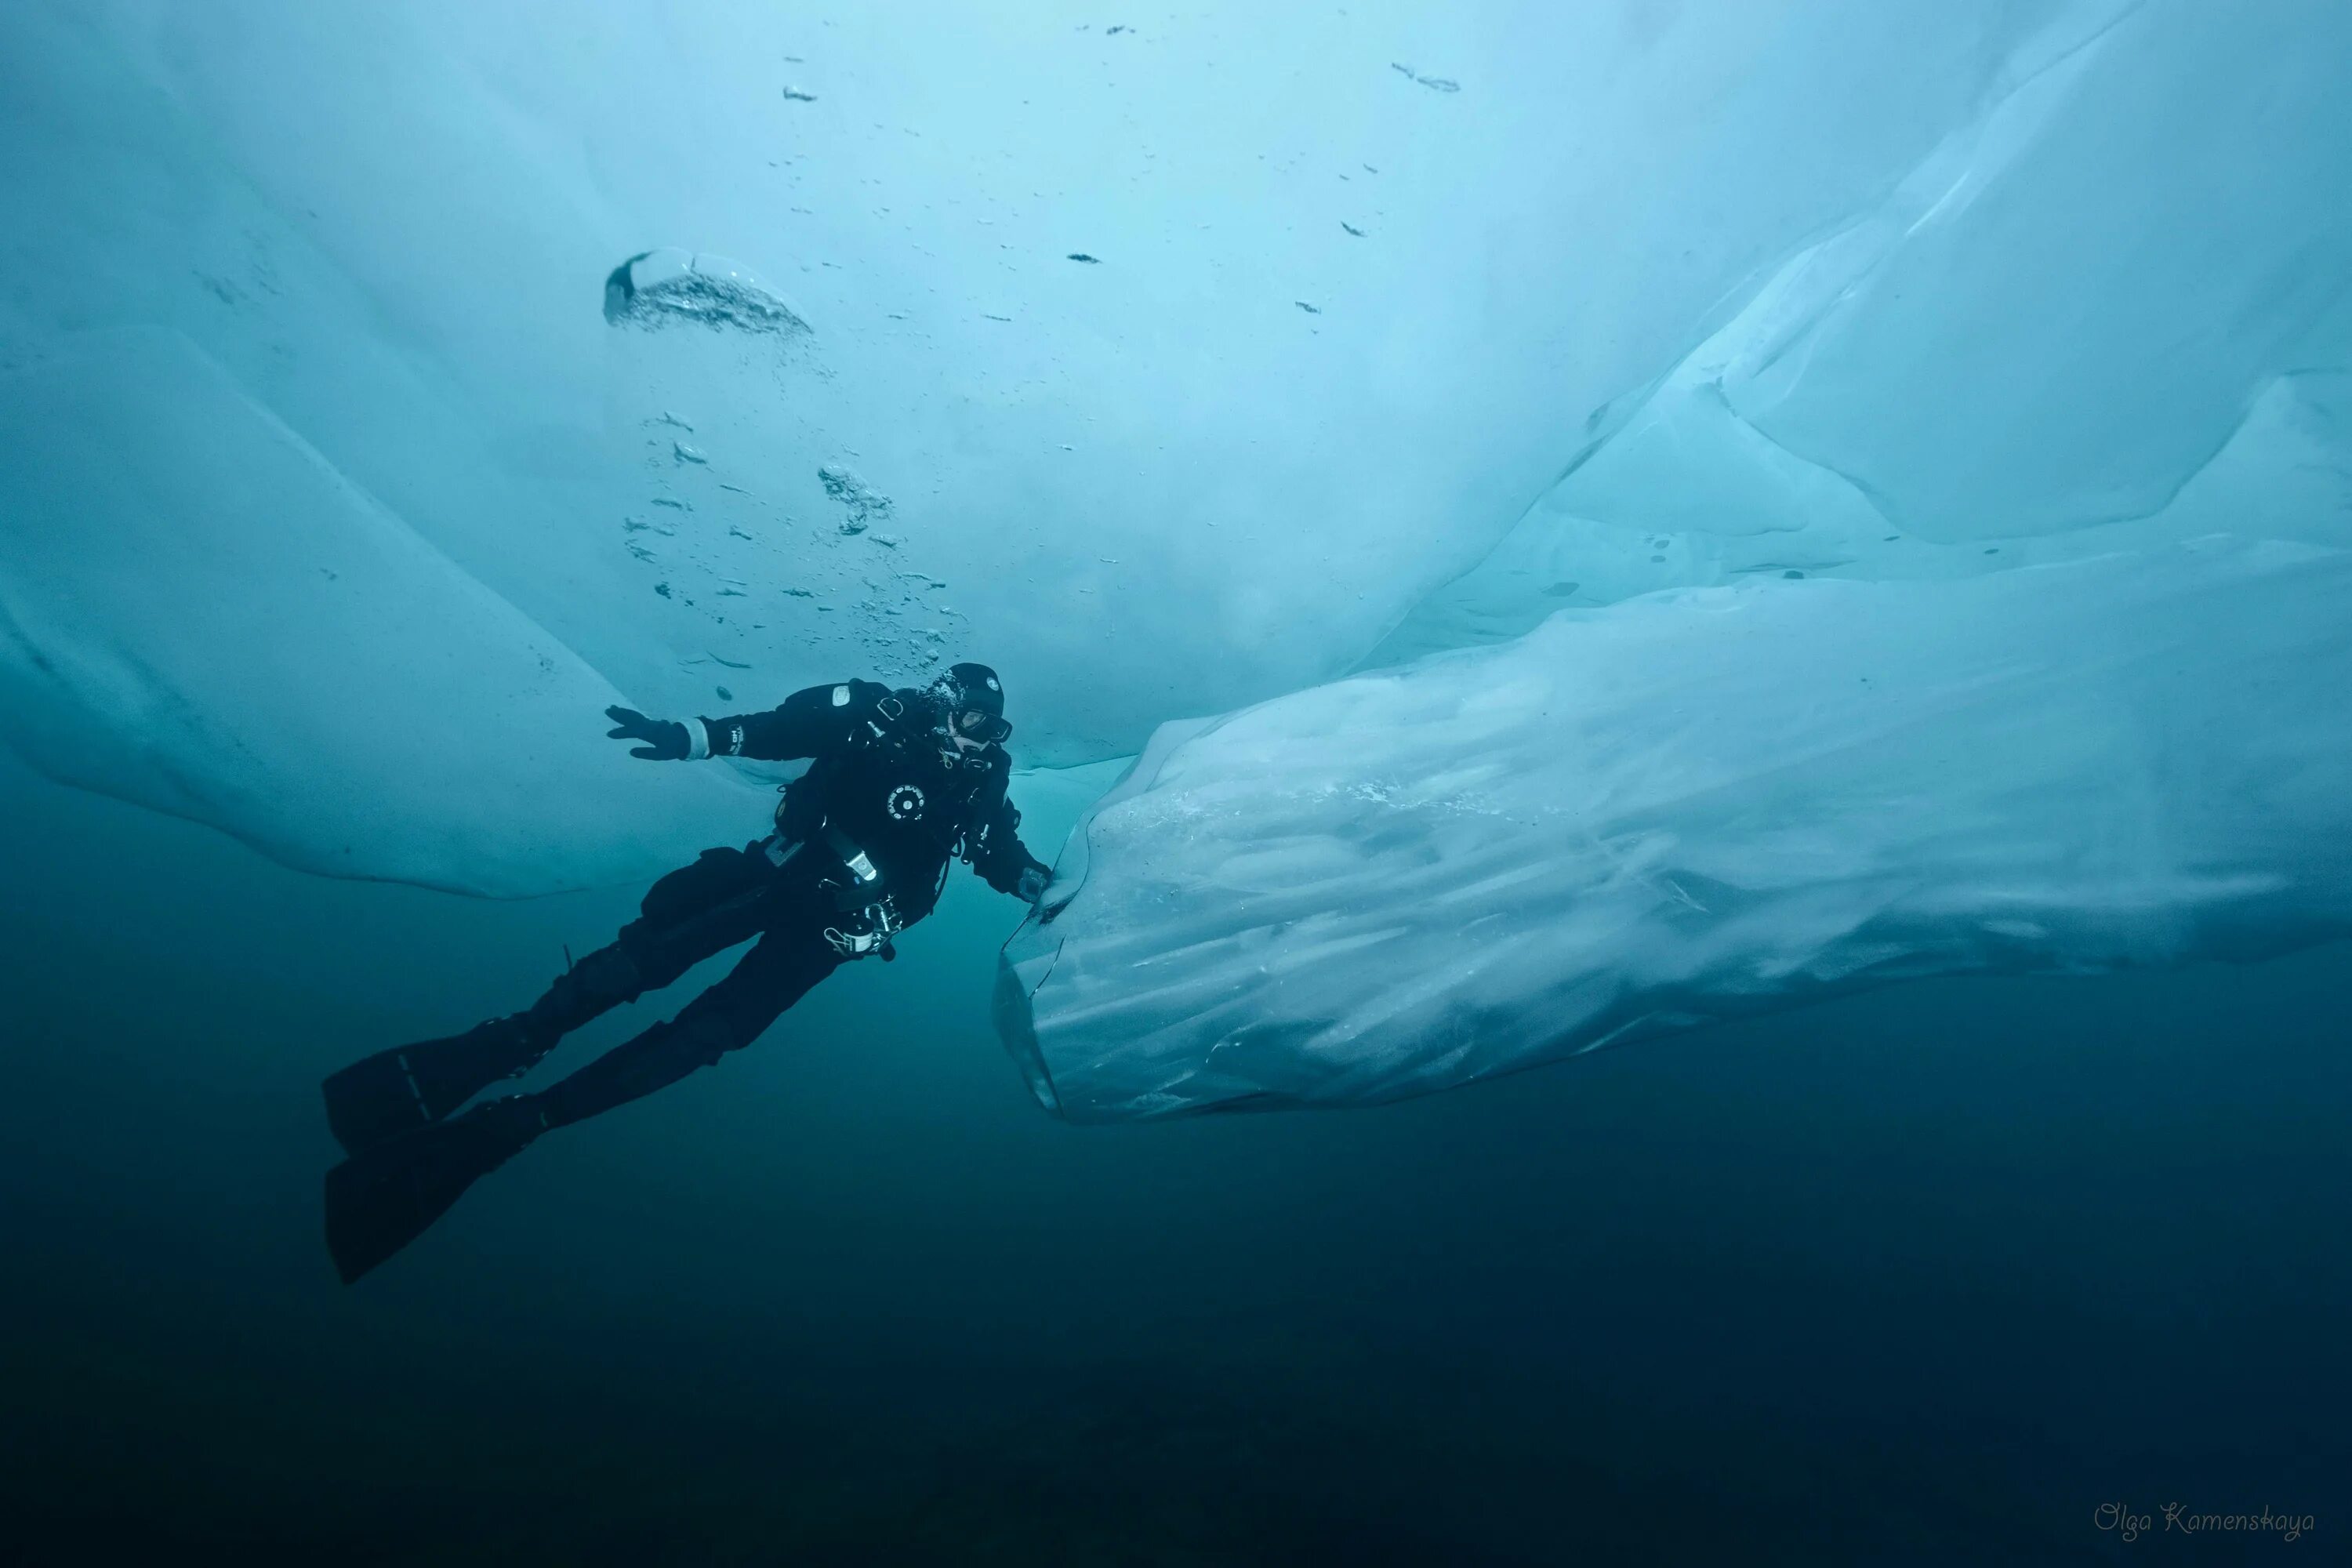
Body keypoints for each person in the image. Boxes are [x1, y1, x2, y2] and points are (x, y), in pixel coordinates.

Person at [320, 662, 1052, 1283]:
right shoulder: (874, 715)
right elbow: (781, 728)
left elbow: (997, 852)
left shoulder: (983, 784)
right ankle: (516, 1039)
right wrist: (692, 738)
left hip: (828, 936)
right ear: (941, 707)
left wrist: (1037, 885)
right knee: (648, 958)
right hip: (775, 874)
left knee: (708, 1035)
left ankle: (530, 1119)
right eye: (976, 722)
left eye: (995, 728)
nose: (985, 741)